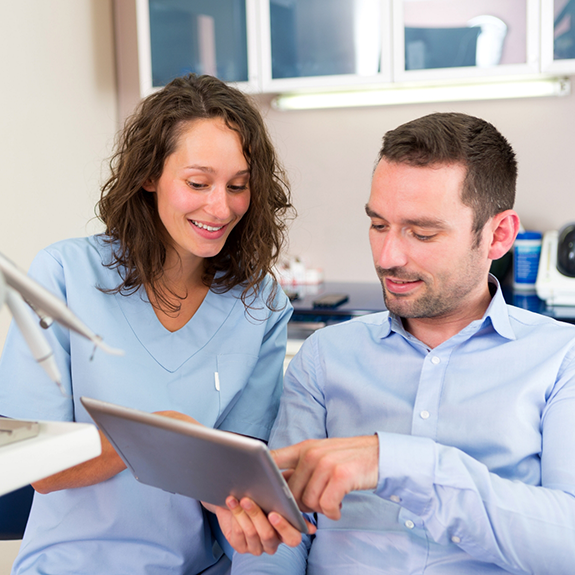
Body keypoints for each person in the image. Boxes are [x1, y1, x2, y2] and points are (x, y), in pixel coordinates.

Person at [229, 112, 575, 574]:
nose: (388, 257)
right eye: (378, 225)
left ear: (499, 235)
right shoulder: (325, 358)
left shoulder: (560, 359)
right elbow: (278, 535)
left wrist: (398, 462)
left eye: (422, 232)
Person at [0, 73, 296, 575]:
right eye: (198, 183)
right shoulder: (64, 276)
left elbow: (240, 472)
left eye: (238, 186)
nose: (220, 207)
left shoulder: (259, 303)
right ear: (149, 174)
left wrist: (241, 500)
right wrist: (164, 433)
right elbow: (37, 466)